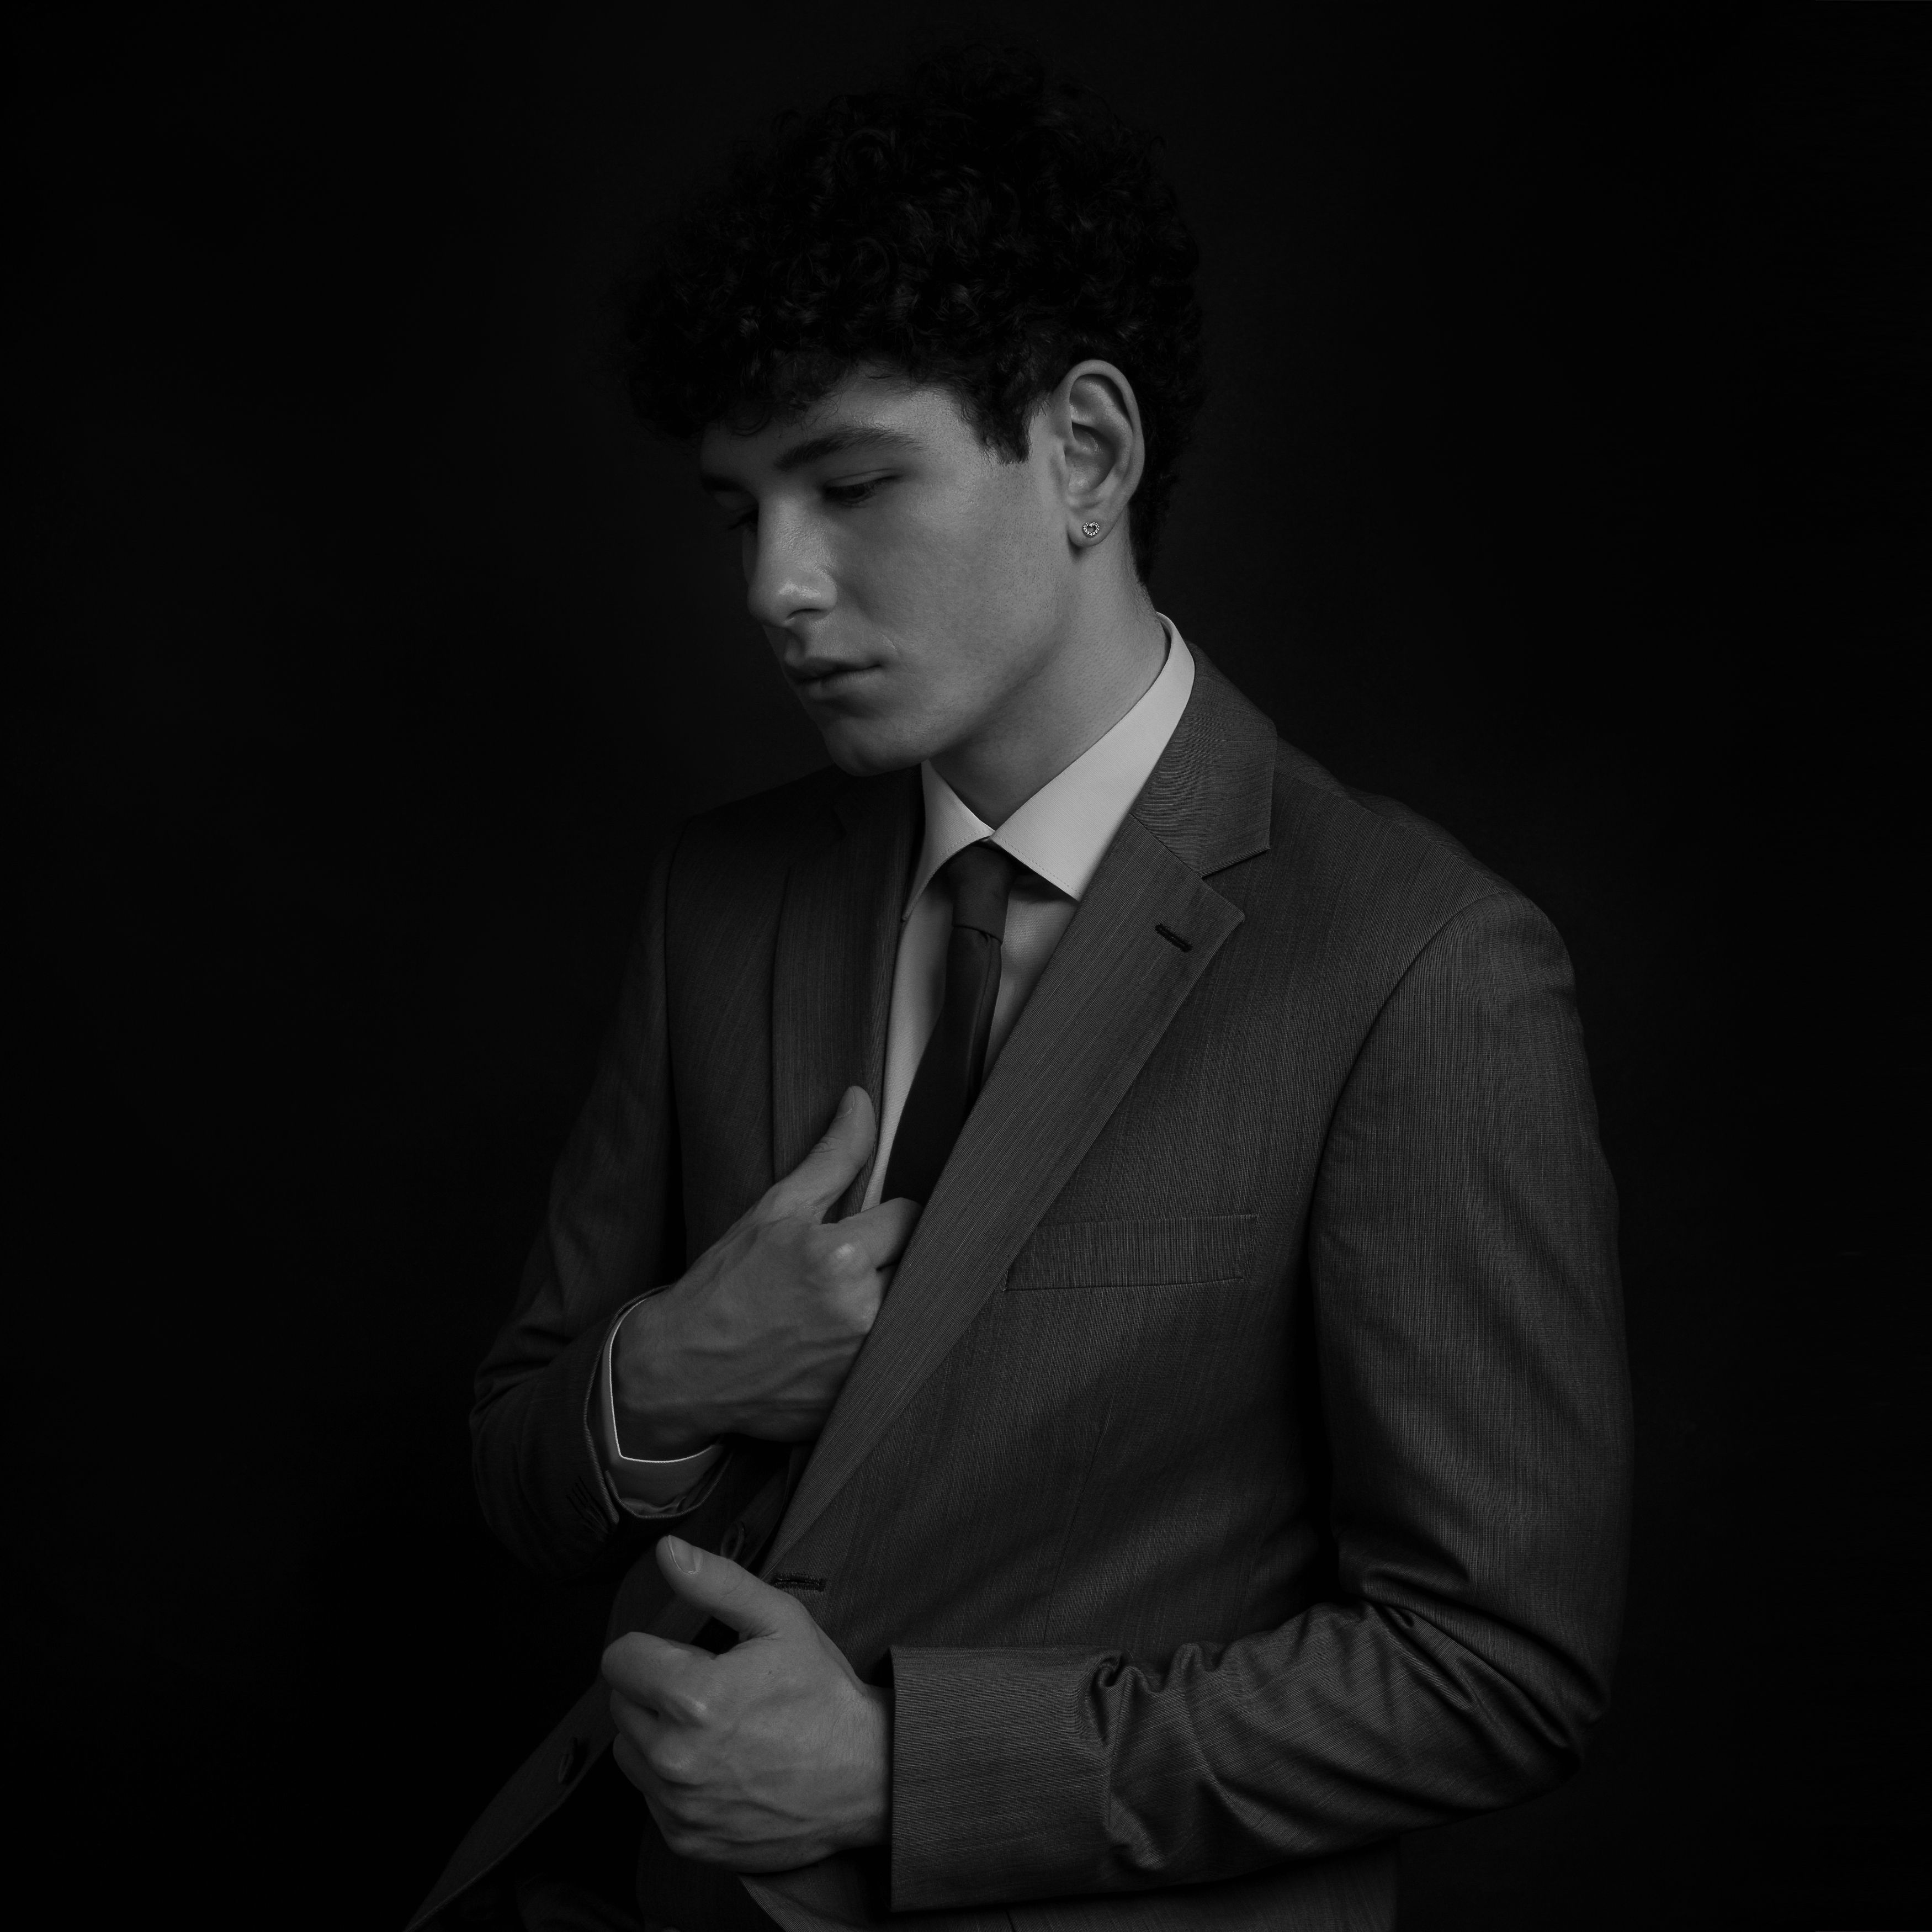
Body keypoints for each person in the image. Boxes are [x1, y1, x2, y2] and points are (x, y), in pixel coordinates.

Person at [411, 47, 1631, 1932]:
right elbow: (517, 1469)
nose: (775, 584)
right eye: (739, 511)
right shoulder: (718, 901)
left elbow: (1496, 1664)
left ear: (1084, 455)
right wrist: (666, 1373)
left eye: (848, 483)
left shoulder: (1419, 966)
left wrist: (903, 1766)